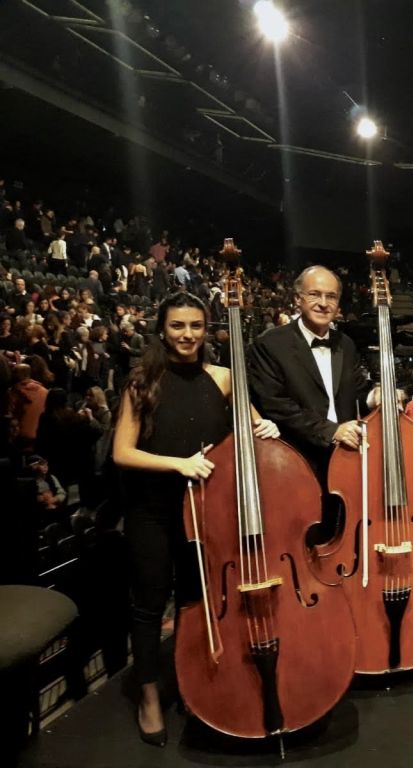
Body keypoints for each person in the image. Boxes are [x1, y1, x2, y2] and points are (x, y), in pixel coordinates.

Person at [112, 292, 278, 746]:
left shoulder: (224, 377)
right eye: (177, 326)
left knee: (195, 600)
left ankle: (191, 682)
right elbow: (122, 452)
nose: (187, 335)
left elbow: (252, 425)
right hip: (153, 510)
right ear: (162, 330)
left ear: (207, 330)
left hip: (204, 509)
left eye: (196, 326)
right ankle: (149, 696)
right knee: (149, 605)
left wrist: (265, 426)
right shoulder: (143, 381)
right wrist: (179, 464)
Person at [248, 265, 373, 541]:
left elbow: (355, 392)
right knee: (299, 540)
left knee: (340, 537)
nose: (323, 303)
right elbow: (276, 405)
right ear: (298, 299)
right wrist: (332, 431)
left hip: (344, 460)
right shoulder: (270, 344)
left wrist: (375, 397)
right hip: (295, 461)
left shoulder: (346, 344)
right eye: (314, 294)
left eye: (331, 296)